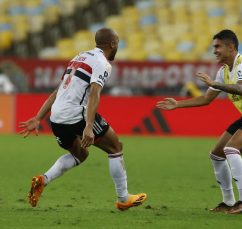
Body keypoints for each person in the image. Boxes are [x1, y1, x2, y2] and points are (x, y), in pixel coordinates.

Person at [19, 28, 147, 210]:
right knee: (115, 147)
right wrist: (88, 126)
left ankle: (43, 179)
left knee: (80, 154)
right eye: (117, 43)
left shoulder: (79, 57)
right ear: (112, 44)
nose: (117, 46)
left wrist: (38, 117)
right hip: (76, 114)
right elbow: (95, 93)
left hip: (56, 118)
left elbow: (59, 90)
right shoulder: (102, 63)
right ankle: (123, 198)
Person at [157, 29, 242, 214]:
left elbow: (240, 88)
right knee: (216, 154)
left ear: (230, 47)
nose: (214, 50)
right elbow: (206, 99)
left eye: (217, 46)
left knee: (231, 149)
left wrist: (215, 84)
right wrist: (178, 105)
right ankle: (229, 202)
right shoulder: (223, 71)